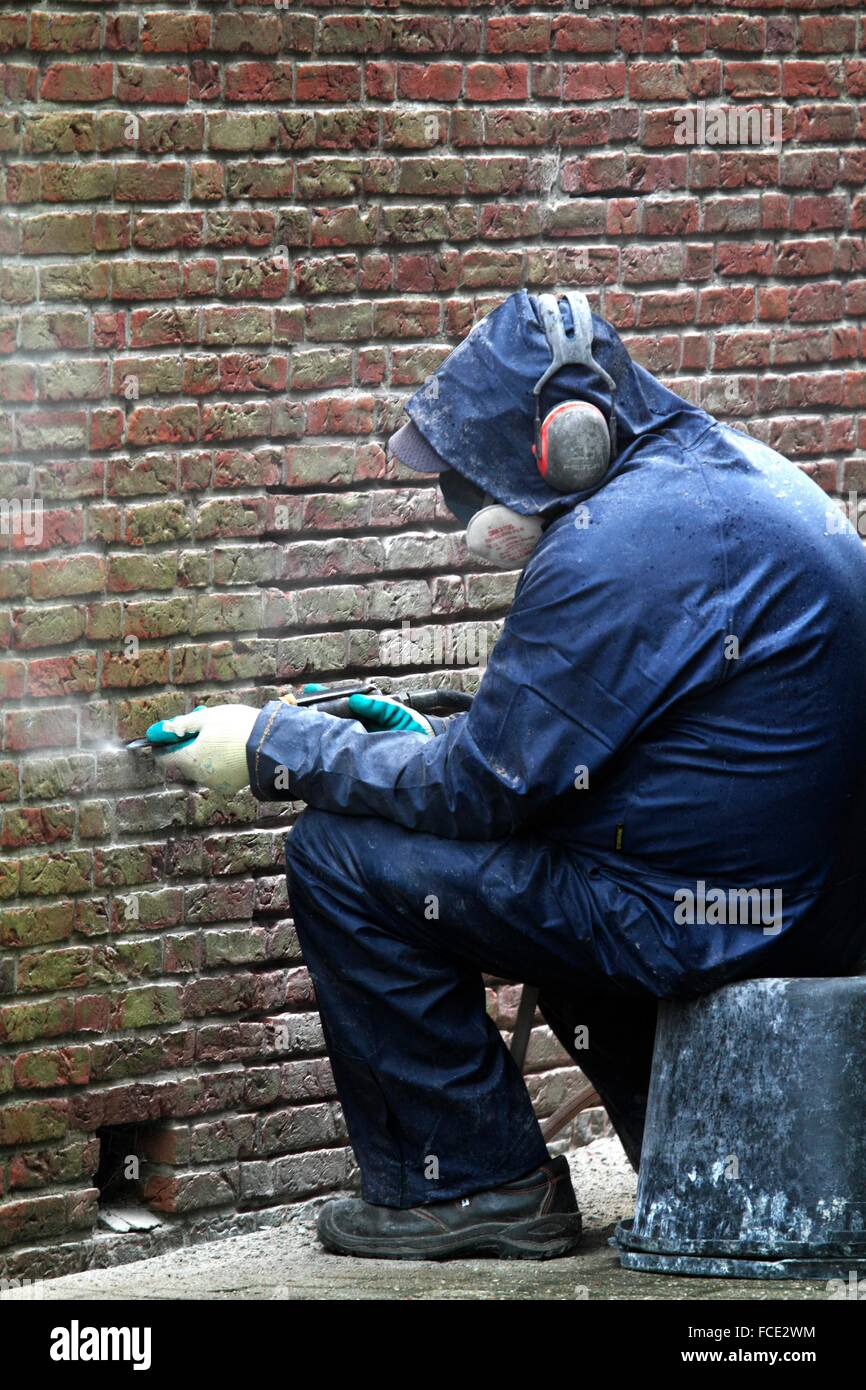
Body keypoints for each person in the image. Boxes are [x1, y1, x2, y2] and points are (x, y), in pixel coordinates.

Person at [155, 290, 866, 1262]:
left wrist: (275, 747)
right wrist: (441, 729)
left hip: (696, 919)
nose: (462, 497)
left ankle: (470, 1186)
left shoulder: (606, 548)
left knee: (335, 855)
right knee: (526, 861)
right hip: (794, 907)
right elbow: (593, 731)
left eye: (473, 463)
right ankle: (666, 1149)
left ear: (566, 435)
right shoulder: (728, 481)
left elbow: (481, 791)